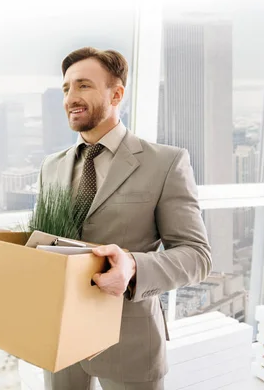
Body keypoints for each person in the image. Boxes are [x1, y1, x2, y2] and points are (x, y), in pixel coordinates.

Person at [39, 47, 212, 390]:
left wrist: (132, 267)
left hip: (129, 340)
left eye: (84, 86)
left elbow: (197, 255)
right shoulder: (51, 167)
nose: (71, 97)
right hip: (61, 336)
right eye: (66, 88)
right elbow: (48, 242)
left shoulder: (165, 163)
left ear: (116, 94)